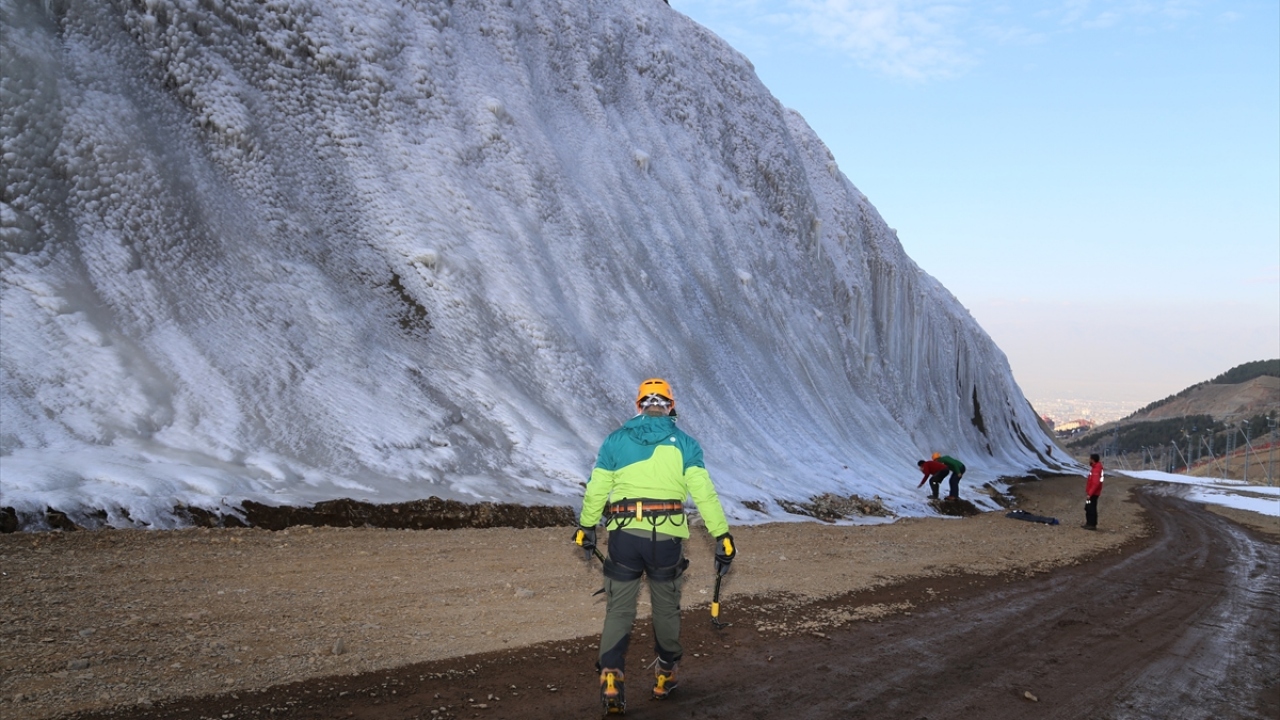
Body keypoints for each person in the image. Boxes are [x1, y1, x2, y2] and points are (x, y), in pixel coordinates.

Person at [574, 378, 735, 715]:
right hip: (666, 539)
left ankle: (611, 676)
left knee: (619, 608)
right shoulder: (687, 445)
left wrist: (587, 527)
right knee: (665, 607)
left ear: (639, 407)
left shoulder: (615, 441)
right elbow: (704, 494)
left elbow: (596, 490)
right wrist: (722, 536)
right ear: (670, 406)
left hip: (624, 536)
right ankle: (665, 675)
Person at [1083, 453, 1104, 530]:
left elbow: (1095, 483)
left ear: (1092, 460)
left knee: (1090, 507)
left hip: (1093, 494)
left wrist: (1090, 493)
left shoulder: (1096, 470)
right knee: (1089, 506)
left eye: (1090, 459)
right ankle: (1090, 523)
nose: (1089, 460)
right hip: (1092, 493)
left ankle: (1091, 524)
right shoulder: (1096, 468)